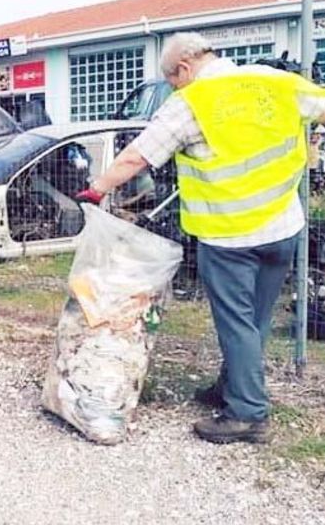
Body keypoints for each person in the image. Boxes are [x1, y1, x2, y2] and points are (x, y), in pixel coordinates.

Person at [77, 32, 325, 444]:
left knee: (237, 324)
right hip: (283, 229)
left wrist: (98, 187)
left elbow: (137, 155)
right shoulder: (274, 82)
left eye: (171, 80)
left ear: (185, 68)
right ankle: (236, 387)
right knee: (255, 320)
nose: (172, 88)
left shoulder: (190, 104)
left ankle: (247, 413)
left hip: (230, 237)